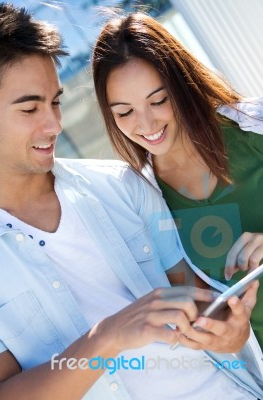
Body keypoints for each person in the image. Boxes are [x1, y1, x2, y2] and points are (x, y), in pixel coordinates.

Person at [0, 3, 262, 400]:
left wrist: (231, 331)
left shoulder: (124, 187)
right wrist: (107, 338)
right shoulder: (144, 183)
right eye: (31, 107)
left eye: (55, 103)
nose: (55, 124)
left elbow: (204, 305)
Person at [92, 11, 263, 350]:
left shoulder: (254, 129)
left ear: (183, 84)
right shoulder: (143, 200)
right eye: (124, 112)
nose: (146, 123)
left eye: (158, 100)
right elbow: (203, 307)